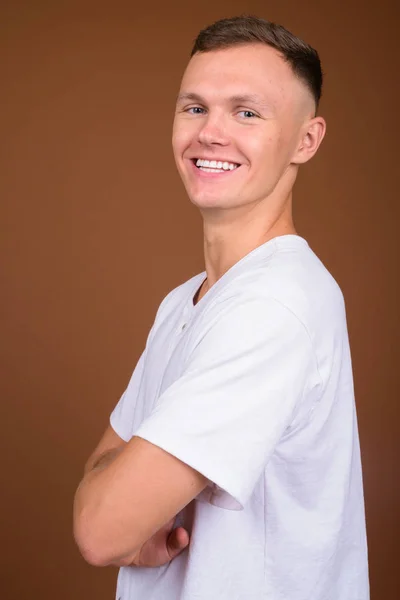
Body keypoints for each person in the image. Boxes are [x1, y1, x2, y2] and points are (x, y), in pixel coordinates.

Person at [73, 15, 369, 600]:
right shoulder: (186, 300)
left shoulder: (273, 306)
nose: (210, 133)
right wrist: (117, 497)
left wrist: (123, 504)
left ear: (306, 140)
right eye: (195, 107)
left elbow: (99, 529)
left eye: (247, 112)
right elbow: (101, 475)